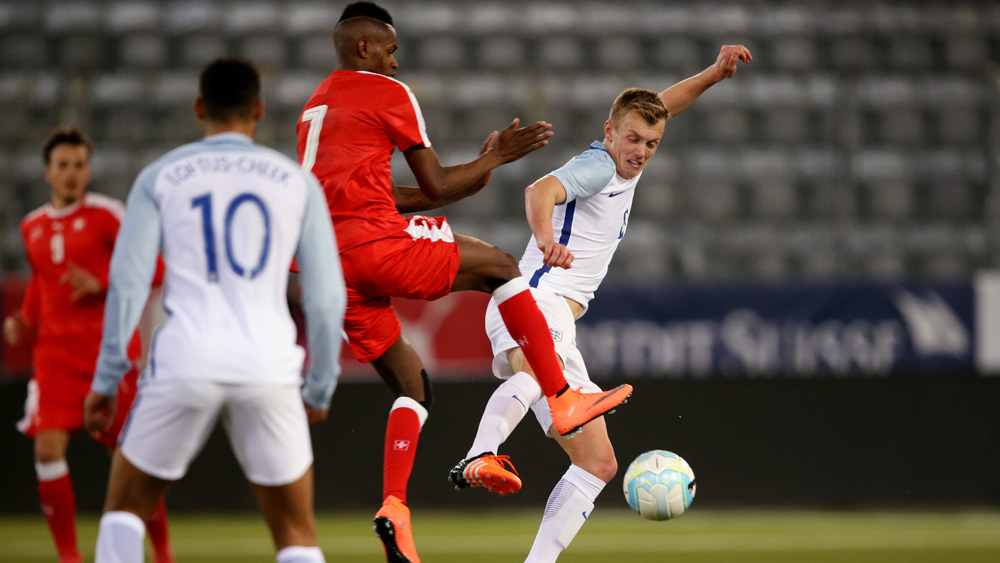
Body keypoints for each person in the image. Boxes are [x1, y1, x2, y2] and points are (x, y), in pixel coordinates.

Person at [296, 3, 632, 562]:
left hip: (325, 264)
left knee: (412, 385)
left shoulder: (316, 106)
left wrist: (475, 173)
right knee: (502, 266)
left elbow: (405, 194)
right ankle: (562, 398)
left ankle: (395, 507)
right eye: (390, 49)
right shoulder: (385, 92)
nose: (396, 62)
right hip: (372, 246)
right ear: (364, 48)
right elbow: (434, 179)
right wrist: (496, 158)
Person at [448, 45, 753, 562]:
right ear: (608, 131)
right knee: (540, 374)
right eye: (631, 138)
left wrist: (714, 74)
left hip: (550, 310)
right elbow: (539, 190)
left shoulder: (632, 147)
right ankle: (479, 455)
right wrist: (546, 239)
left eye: (652, 143)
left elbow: (667, 103)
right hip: (536, 297)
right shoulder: (597, 166)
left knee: (598, 462)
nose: (641, 151)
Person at [82, 57, 346, 563]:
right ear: (259, 110)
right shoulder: (295, 182)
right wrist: (319, 383)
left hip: (185, 358)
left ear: (199, 107)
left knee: (123, 509)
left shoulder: (162, 176)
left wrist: (108, 374)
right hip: (268, 363)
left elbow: (128, 281)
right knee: (295, 532)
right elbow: (325, 295)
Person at [2, 126, 174, 563]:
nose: (72, 173)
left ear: (88, 169)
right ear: (47, 173)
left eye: (79, 165)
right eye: (63, 165)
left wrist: (101, 283)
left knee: (133, 460)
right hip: (55, 359)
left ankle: (162, 552)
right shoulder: (32, 227)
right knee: (46, 447)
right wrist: (26, 321)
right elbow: (43, 285)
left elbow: (154, 270)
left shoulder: (109, 216)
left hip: (108, 356)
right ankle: (69, 557)